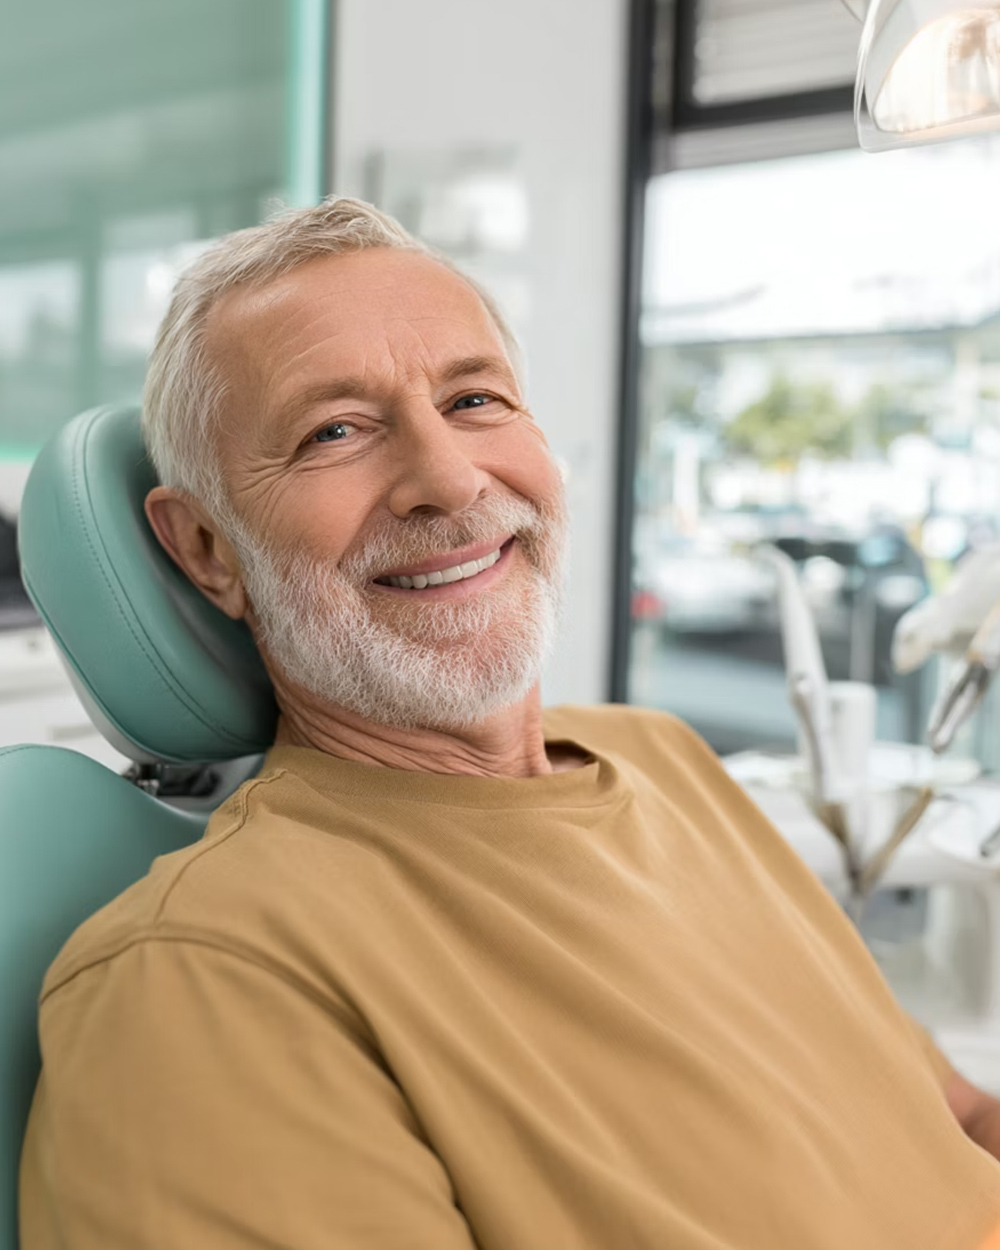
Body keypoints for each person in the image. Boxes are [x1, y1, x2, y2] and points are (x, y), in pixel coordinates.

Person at [18, 197, 1000, 1250]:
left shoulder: (659, 755)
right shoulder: (202, 978)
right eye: (333, 430)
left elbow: (944, 1114)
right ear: (209, 549)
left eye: (475, 398)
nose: (448, 478)